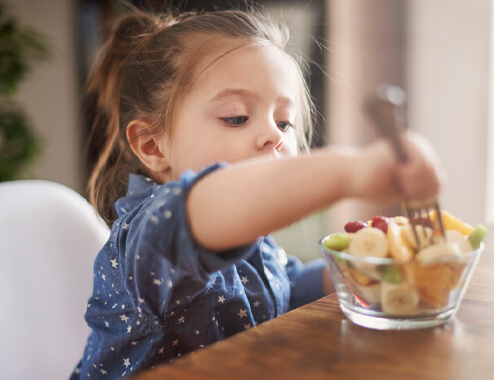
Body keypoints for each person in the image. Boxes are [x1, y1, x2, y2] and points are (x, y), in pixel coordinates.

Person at [71, 7, 443, 379]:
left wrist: (356, 269)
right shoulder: (149, 236)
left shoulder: (249, 234)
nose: (275, 136)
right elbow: (211, 203)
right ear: (152, 145)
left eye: (284, 122)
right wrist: (352, 170)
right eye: (236, 117)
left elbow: (283, 291)